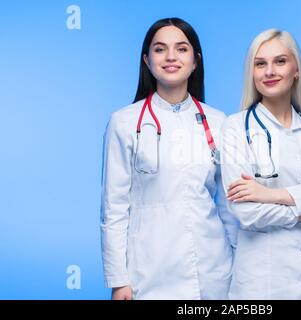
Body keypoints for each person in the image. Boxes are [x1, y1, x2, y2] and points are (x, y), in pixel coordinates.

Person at [100, 17, 237, 300]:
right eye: (160, 49)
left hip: (213, 268)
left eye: (182, 49)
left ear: (196, 61)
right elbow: (113, 208)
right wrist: (118, 280)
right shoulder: (124, 122)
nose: (171, 57)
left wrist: (241, 268)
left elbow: (228, 206)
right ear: (147, 60)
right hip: (149, 272)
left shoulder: (219, 122)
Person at [220, 29, 301, 299]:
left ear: (297, 70)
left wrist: (270, 195)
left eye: (280, 61)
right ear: (252, 73)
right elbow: (247, 214)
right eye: (260, 64)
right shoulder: (235, 128)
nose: (269, 71)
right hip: (264, 283)